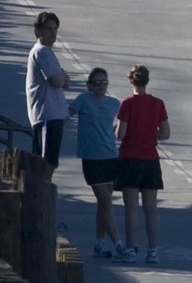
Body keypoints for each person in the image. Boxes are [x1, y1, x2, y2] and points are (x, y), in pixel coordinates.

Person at [114, 64, 170, 263]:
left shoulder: (127, 104)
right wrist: (149, 134)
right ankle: (153, 250)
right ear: (147, 80)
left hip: (130, 158)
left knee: (131, 208)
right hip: (150, 159)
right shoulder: (158, 104)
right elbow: (165, 133)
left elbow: (120, 133)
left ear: (131, 81)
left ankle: (130, 249)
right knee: (151, 207)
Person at [67, 66, 125, 258]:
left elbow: (120, 127)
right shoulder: (83, 100)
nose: (101, 87)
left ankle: (99, 243)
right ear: (89, 85)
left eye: (105, 83)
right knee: (107, 201)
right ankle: (118, 243)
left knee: (103, 204)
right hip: (91, 158)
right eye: (97, 83)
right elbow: (66, 114)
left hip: (110, 156)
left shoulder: (114, 103)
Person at [23, 11, 71, 169]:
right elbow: (58, 80)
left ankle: (44, 189)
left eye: (55, 29)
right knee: (44, 163)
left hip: (53, 115)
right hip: (46, 115)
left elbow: (66, 81)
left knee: (50, 161)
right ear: (38, 31)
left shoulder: (47, 52)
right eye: (49, 29)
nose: (53, 33)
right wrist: (62, 77)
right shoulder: (41, 51)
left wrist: (63, 78)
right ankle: (41, 191)